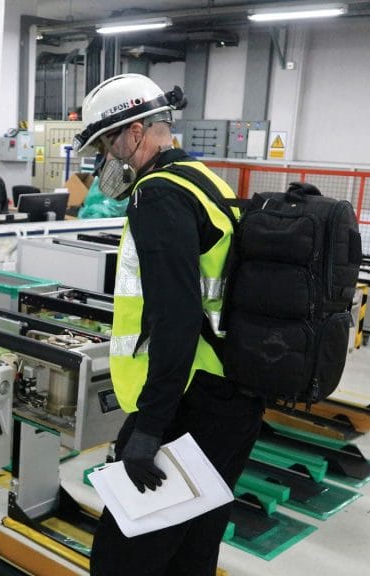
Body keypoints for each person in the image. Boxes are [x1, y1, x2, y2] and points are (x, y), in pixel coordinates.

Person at [73, 74, 265, 575]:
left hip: (185, 406)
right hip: (230, 395)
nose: (104, 161)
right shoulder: (204, 181)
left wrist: (149, 429)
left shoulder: (155, 195)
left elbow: (175, 319)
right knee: (192, 554)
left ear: (135, 132)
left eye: (106, 143)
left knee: (123, 562)